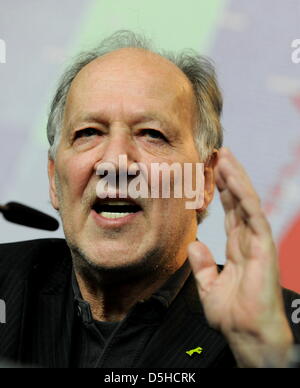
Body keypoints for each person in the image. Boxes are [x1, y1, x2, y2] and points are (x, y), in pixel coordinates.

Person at [0, 30, 299, 368]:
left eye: (151, 135)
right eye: (89, 133)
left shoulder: (280, 334)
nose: (115, 162)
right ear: (55, 179)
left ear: (202, 180)